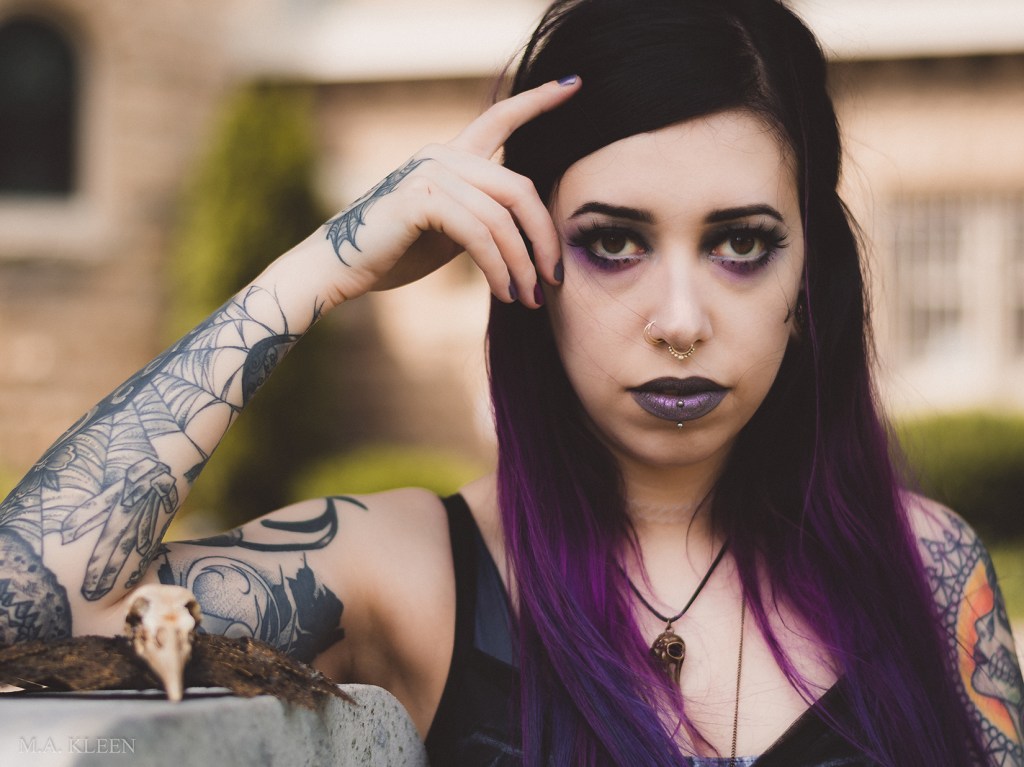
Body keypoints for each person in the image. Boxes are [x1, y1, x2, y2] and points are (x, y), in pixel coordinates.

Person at [1, 0, 1021, 764]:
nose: (680, 319)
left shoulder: (925, 567)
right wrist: (320, 269)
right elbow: (22, 605)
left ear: (809, 278)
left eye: (741, 244)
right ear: (526, 255)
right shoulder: (411, 572)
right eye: (613, 242)